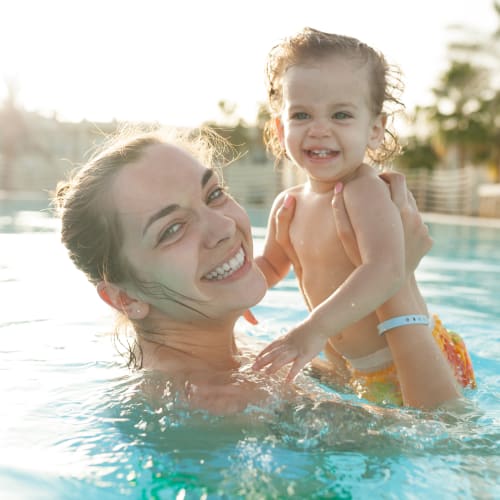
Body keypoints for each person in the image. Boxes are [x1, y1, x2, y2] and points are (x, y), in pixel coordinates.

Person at [53, 125, 461, 415]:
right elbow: (452, 448)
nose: (224, 227)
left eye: (213, 194)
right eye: (172, 229)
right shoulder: (229, 400)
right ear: (125, 297)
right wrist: (397, 284)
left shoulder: (238, 363)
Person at [251, 27, 475, 406]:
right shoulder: (287, 204)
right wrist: (231, 295)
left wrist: (313, 330)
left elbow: (387, 268)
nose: (319, 130)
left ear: (374, 130)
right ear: (279, 127)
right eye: (302, 114)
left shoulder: (364, 190)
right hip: (354, 369)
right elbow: (271, 266)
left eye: (341, 115)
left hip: (410, 363)